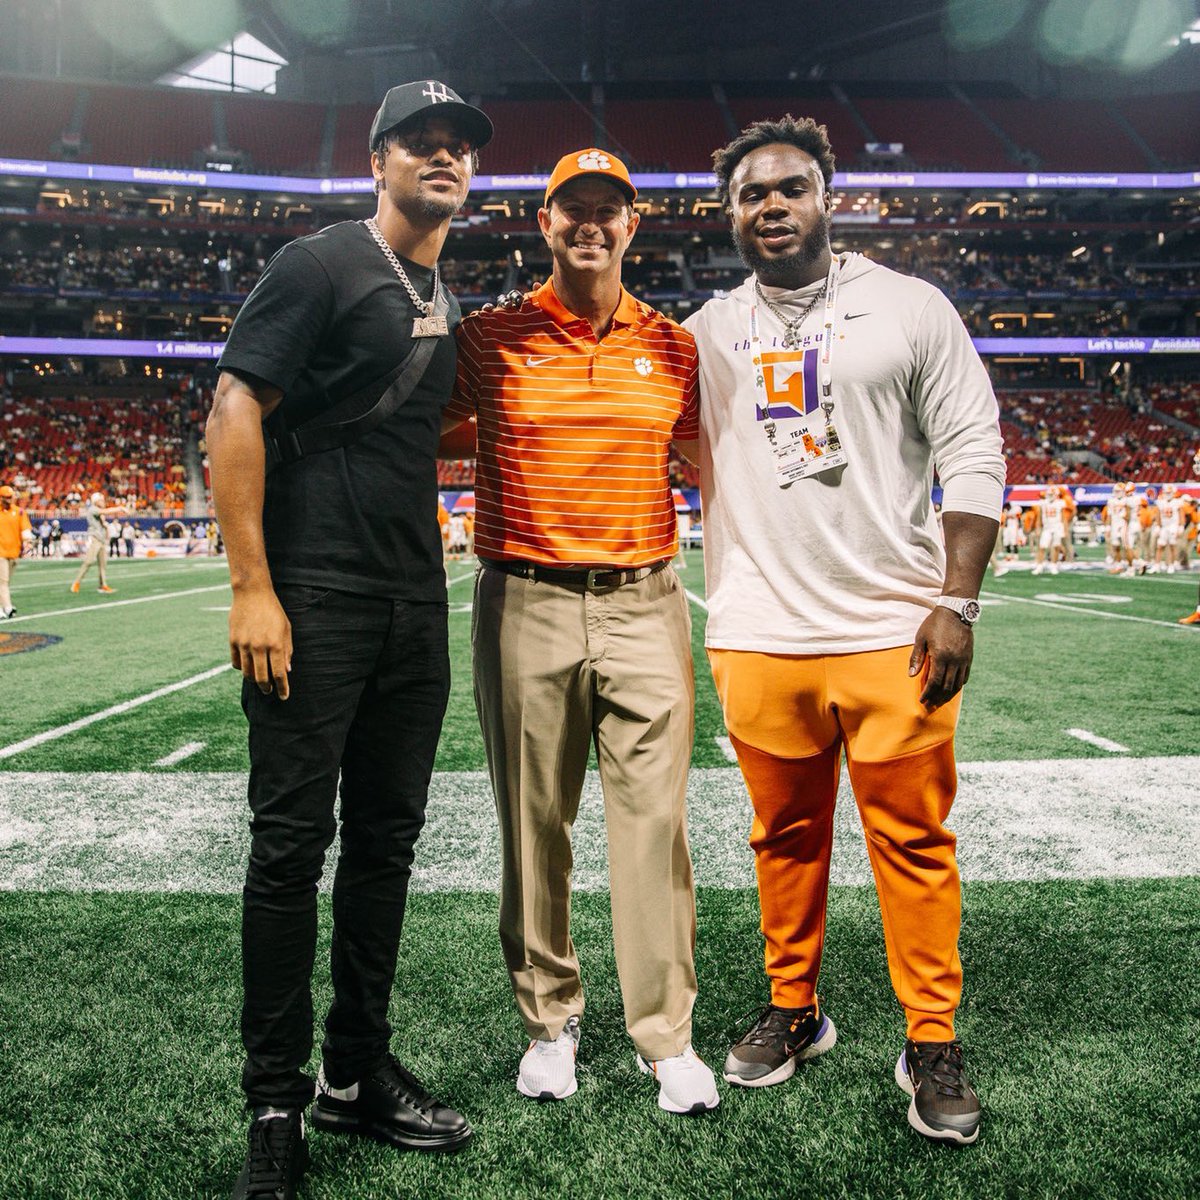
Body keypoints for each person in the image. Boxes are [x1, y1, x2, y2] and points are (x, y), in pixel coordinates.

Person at [683, 115, 1004, 1145]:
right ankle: (794, 1007)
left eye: (789, 188)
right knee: (783, 838)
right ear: (728, 213)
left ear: (829, 197)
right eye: (750, 195)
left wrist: (956, 600)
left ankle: (932, 1037)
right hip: (757, 630)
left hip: (891, 630)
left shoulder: (908, 307)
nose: (769, 206)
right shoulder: (702, 332)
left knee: (913, 843)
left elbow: (975, 450)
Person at [206, 80, 492, 1200]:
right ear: (376, 160)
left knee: (386, 847)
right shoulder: (323, 263)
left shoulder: (443, 295)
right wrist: (252, 588)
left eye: (459, 147)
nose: (444, 158)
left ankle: (355, 1070)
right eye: (421, 143)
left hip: (412, 605)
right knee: (288, 850)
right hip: (313, 599)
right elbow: (235, 407)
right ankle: (274, 1100)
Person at [441, 147, 719, 1115]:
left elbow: (714, 461)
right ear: (544, 223)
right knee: (534, 828)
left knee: (656, 830)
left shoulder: (676, 346)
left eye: (610, 209)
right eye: (573, 209)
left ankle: (666, 1036)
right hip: (525, 598)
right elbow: (421, 428)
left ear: (633, 225)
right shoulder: (489, 337)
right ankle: (550, 1021)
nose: (591, 224)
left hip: (647, 599)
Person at [70, 491, 122, 594]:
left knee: (103, 564)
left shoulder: (98, 512)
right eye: (101, 500)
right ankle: (76, 583)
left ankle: (103, 585)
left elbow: (104, 525)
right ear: (96, 501)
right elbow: (107, 512)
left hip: (101, 540)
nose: (103, 502)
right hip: (95, 539)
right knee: (89, 561)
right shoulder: (93, 509)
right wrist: (120, 508)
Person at [0, 484, 34, 618]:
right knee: (3, 581)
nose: (9, 500)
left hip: (14, 552)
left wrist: (28, 544)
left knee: (5, 582)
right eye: (6, 498)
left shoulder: (19, 512)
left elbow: (25, 530)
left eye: (10, 497)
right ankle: (8, 608)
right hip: (0, 552)